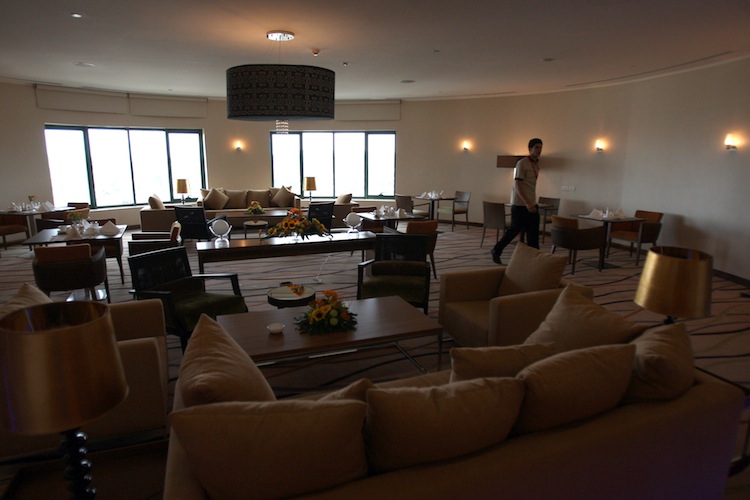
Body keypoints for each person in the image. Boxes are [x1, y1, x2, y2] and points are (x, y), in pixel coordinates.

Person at [491, 138, 543, 264]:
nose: (539, 150)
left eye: (540, 148)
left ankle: (534, 259)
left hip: (532, 203)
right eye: (536, 147)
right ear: (530, 148)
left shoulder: (536, 164)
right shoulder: (522, 163)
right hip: (521, 205)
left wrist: (532, 203)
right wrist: (527, 203)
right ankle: (497, 250)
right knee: (514, 230)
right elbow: (518, 185)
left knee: (533, 233)